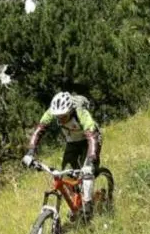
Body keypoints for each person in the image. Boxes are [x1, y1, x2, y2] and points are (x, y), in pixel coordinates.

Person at [22, 92, 102, 222]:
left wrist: (91, 160)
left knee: (87, 173)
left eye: (63, 116)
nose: (60, 120)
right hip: (72, 142)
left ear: (70, 111)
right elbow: (39, 130)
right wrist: (30, 152)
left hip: (90, 141)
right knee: (66, 175)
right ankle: (77, 203)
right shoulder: (51, 112)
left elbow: (92, 135)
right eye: (57, 117)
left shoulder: (80, 112)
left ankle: (88, 209)